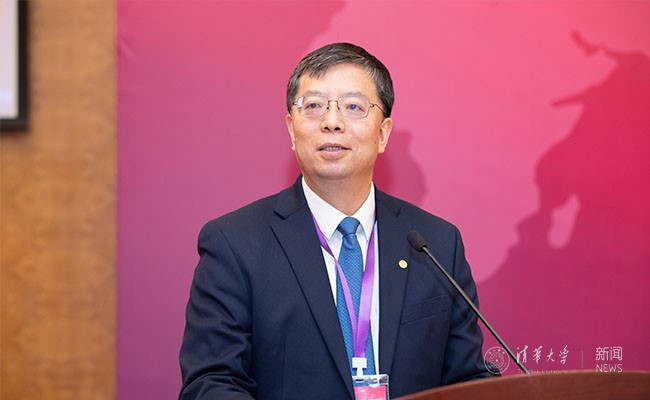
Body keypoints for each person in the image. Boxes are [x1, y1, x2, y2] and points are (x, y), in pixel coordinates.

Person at [179, 42, 493, 400]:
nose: (332, 121)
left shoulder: (436, 244)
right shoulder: (235, 244)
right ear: (291, 130)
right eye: (313, 106)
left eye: (353, 106)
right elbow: (212, 384)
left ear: (383, 133)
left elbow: (468, 381)